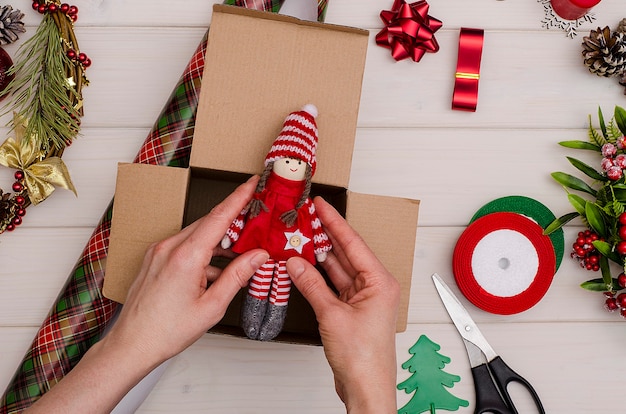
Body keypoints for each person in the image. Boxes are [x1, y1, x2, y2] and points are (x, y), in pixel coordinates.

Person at [24, 176, 400, 414]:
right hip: (263, 262)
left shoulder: (300, 207)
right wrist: (371, 397)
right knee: (258, 290)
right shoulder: (263, 199)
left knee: (278, 289)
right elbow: (241, 221)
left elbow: (315, 229)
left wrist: (127, 350)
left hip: (282, 265)